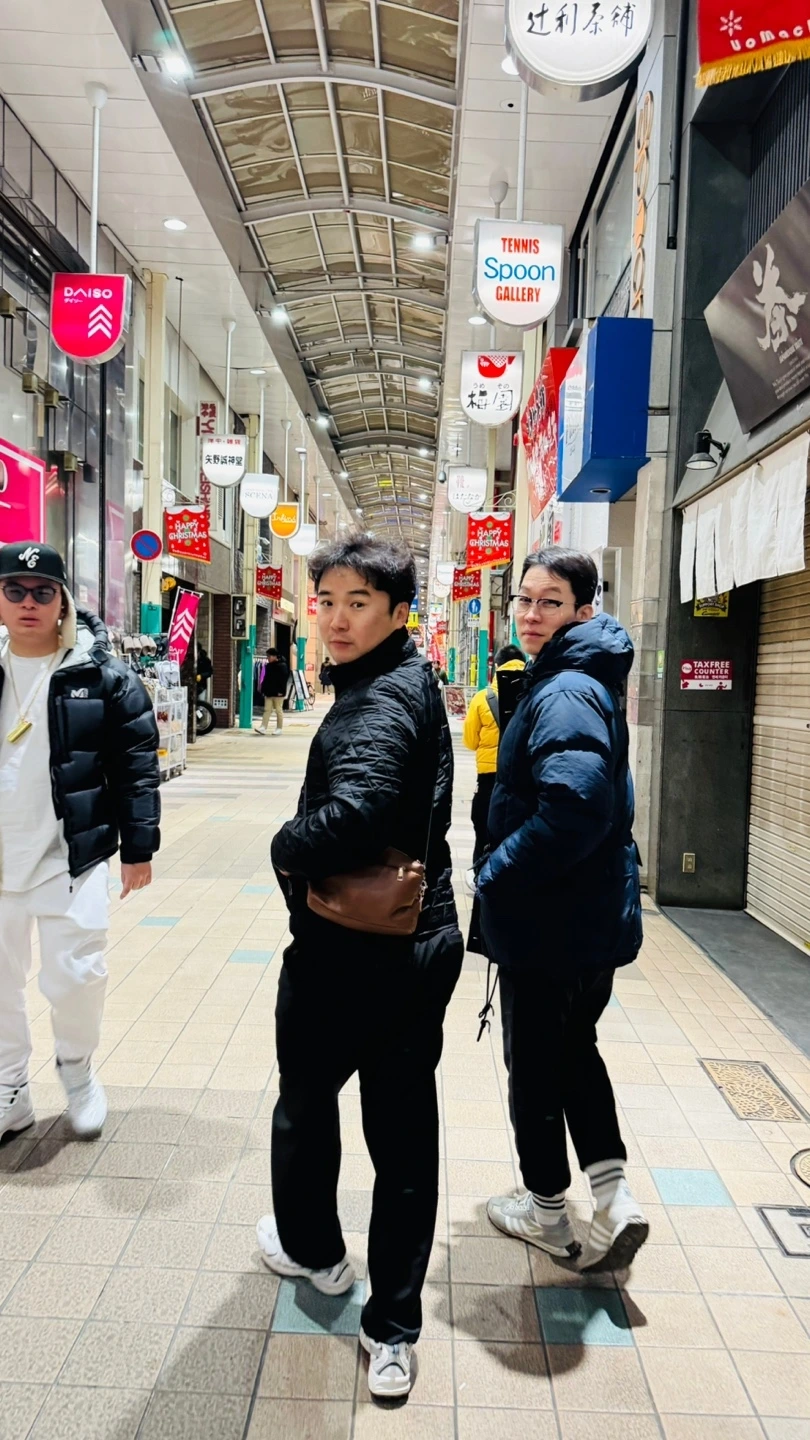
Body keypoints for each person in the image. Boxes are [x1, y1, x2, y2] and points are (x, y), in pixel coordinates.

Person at [257, 534, 463, 1399]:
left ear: (398, 612)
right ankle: (392, 1326)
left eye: (359, 604)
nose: (337, 620)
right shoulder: (402, 678)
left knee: (309, 1108)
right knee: (402, 1131)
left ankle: (319, 1256)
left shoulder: (379, 697)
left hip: (356, 951)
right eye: (328, 602)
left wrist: (286, 845)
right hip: (415, 939)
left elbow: (361, 810)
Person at [477, 548, 646, 1274]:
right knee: (575, 1050)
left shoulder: (567, 689)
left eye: (550, 602)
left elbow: (575, 806)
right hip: (587, 917)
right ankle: (613, 1195)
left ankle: (547, 1211)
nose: (531, 614)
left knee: (536, 1067)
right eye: (524, 599)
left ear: (584, 610)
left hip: (552, 921)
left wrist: (496, 873)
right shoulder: (578, 678)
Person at [0, 542, 160, 1142]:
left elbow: (136, 764)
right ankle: (10, 1088)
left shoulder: (102, 675)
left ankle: (76, 1067)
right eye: (14, 590)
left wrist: (139, 847)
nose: (29, 602)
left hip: (73, 854)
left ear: (63, 600)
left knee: (77, 977)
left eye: (43, 592)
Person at [462, 644, 525, 890]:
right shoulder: (533, 693)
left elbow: (470, 741)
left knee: (484, 828)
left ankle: (481, 877)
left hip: (489, 776)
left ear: (497, 667)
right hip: (523, 776)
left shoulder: (482, 698)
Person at [256, 647, 289, 735]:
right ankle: (263, 727)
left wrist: (281, 691)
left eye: (269, 656)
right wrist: (263, 690)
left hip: (278, 693)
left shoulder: (282, 666)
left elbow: (283, 680)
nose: (268, 658)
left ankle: (279, 728)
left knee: (278, 710)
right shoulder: (268, 666)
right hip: (269, 692)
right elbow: (266, 679)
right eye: (267, 656)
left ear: (275, 656)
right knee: (267, 710)